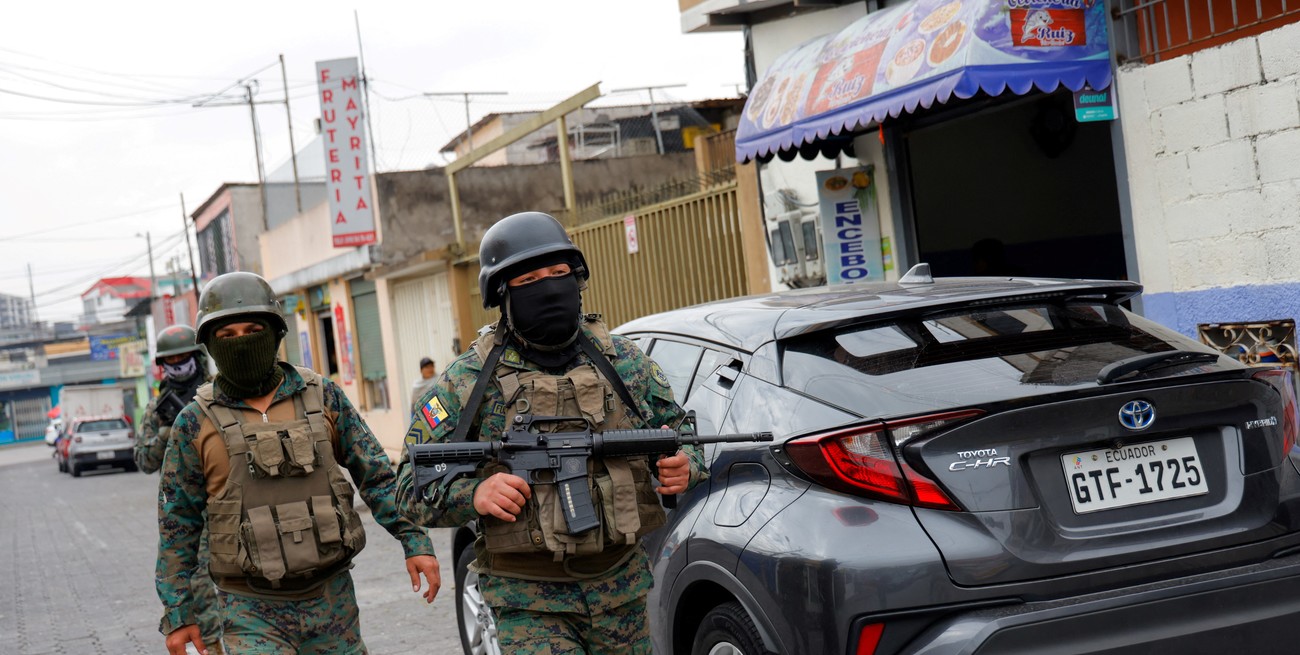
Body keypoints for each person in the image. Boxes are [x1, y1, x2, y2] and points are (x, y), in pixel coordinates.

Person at [396, 211, 707, 654]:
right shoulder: (467, 381)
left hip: (621, 593)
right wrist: (474, 494)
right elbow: (408, 485)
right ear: (502, 294)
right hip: (528, 602)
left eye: (559, 274)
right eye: (530, 279)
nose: (548, 286)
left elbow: (681, 432)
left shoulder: (622, 362)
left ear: (577, 281)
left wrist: (686, 465)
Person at [155, 271, 440, 655]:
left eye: (253, 329)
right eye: (227, 336)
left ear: (275, 332)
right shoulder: (194, 422)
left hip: (332, 599)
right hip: (249, 607)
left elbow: (378, 478)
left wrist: (415, 541)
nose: (242, 343)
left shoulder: (323, 397)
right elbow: (177, 526)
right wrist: (179, 614)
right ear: (209, 344)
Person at [135, 324, 223, 654]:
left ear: (198, 356)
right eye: (170, 359)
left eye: (184, 356)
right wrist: (165, 432)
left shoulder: (219, 394)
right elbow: (143, 460)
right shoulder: (158, 410)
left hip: (226, 502)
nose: (178, 364)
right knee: (199, 591)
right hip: (186, 512)